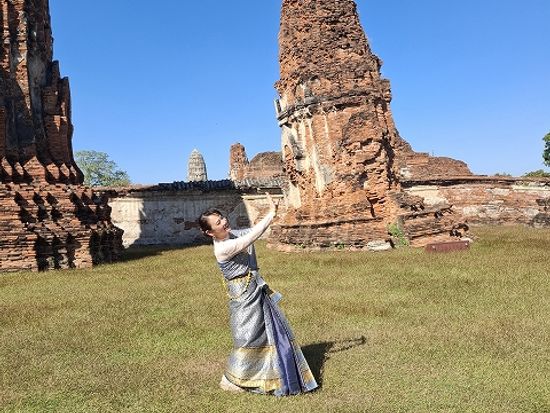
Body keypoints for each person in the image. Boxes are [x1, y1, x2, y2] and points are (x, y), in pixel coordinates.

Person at [198, 193, 318, 396]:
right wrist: (270, 214)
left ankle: (274, 372)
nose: (224, 222)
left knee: (268, 332)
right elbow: (251, 237)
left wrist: (270, 215)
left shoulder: (231, 235)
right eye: (218, 223)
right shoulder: (223, 248)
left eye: (223, 218)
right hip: (242, 294)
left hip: (253, 288)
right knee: (247, 337)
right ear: (210, 232)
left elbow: (250, 231)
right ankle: (234, 379)